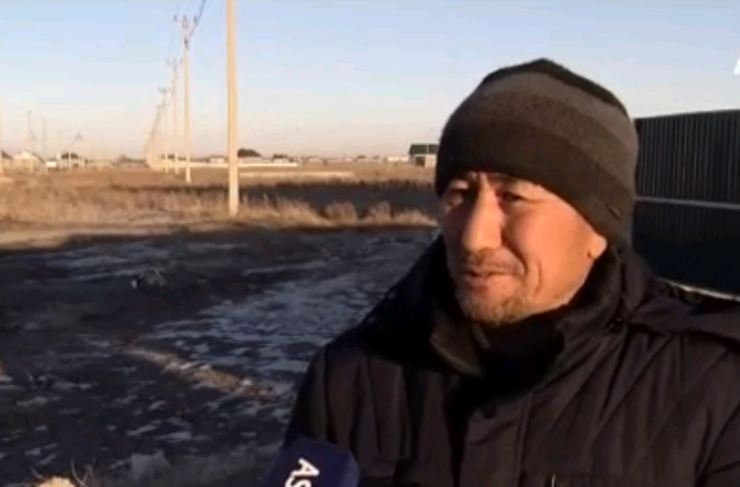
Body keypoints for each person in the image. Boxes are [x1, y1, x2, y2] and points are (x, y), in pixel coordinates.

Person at [283, 58, 740, 487]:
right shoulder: (350, 377)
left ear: (599, 229)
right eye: (460, 194)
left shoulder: (714, 389)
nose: (473, 237)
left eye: (513, 198)